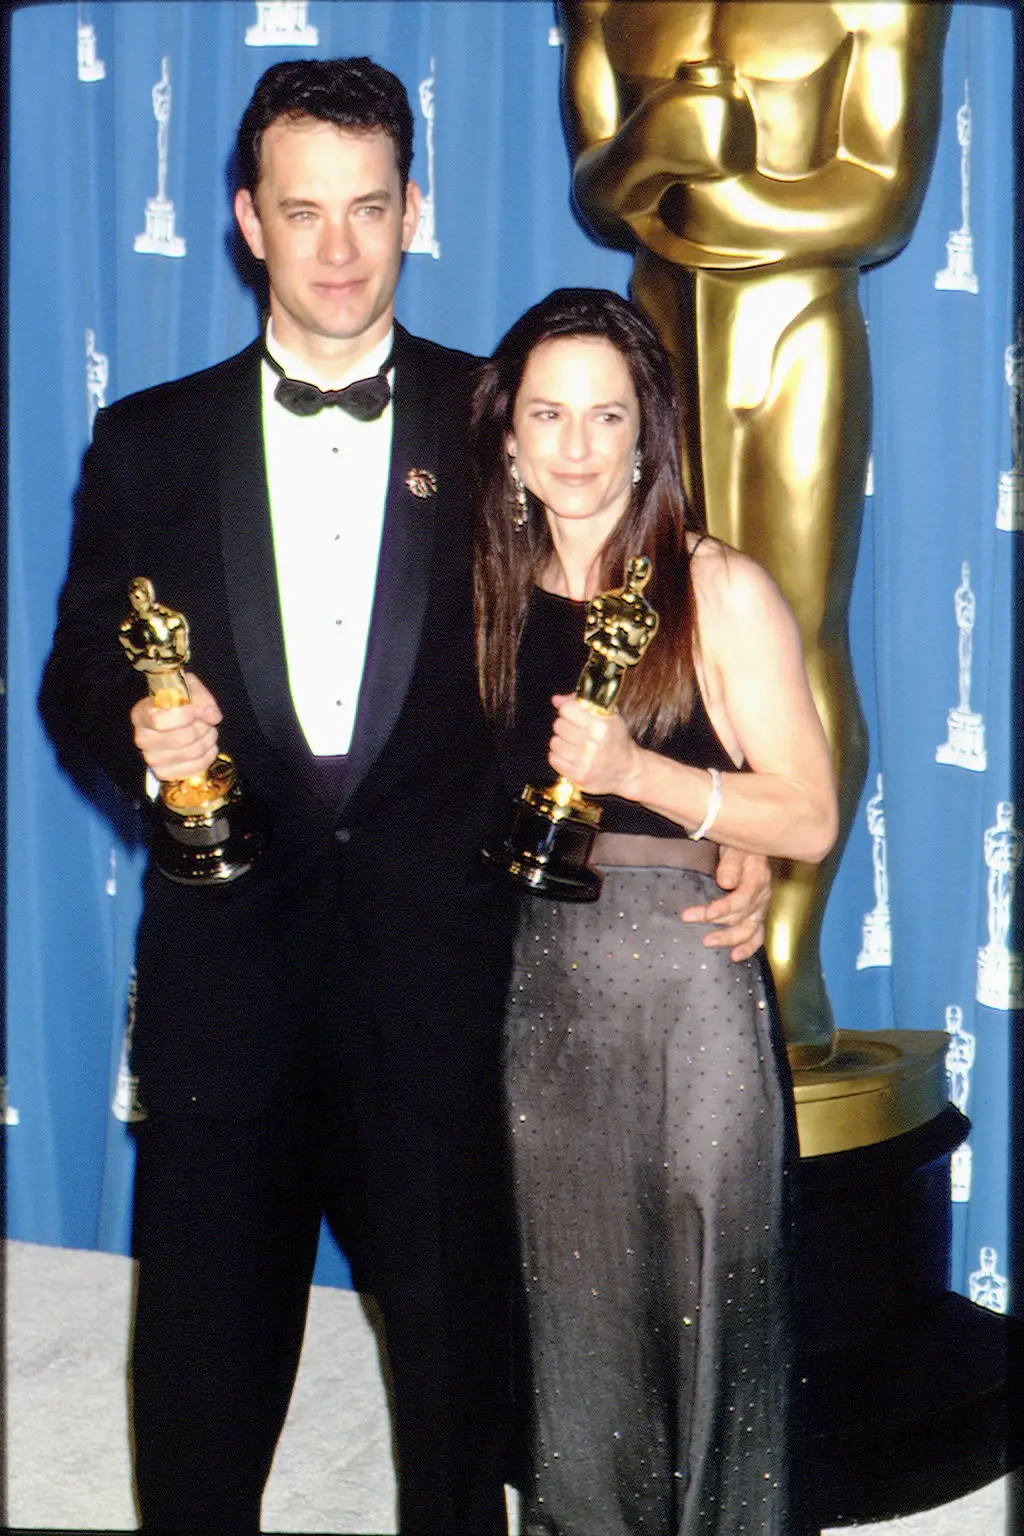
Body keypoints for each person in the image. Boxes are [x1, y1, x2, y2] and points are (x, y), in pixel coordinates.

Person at [40, 59, 770, 1536]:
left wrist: (718, 819)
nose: (336, 248)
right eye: (303, 210)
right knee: (199, 1368)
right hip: (224, 968)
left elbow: (604, 645)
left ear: (413, 210)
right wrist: (138, 733)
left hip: (443, 977)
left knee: (458, 1389)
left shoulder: (503, 424)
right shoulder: (150, 442)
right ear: (246, 219)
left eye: (368, 207)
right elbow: (72, 671)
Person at [470, 288, 838, 1535]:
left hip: (689, 998)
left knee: (712, 1300)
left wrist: (652, 784)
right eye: (548, 415)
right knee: (571, 1312)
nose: (576, 446)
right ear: (507, 437)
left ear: (649, 433)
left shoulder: (713, 586)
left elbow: (804, 813)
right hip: (537, 1003)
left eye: (606, 415)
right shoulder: (478, 594)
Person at [557, 0, 950, 1063]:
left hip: (793, 332)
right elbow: (599, 190)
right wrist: (652, 146)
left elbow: (878, 195)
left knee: (796, 637)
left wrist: (700, 191)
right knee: (662, 634)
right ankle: (688, 926)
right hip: (658, 335)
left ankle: (786, 951)